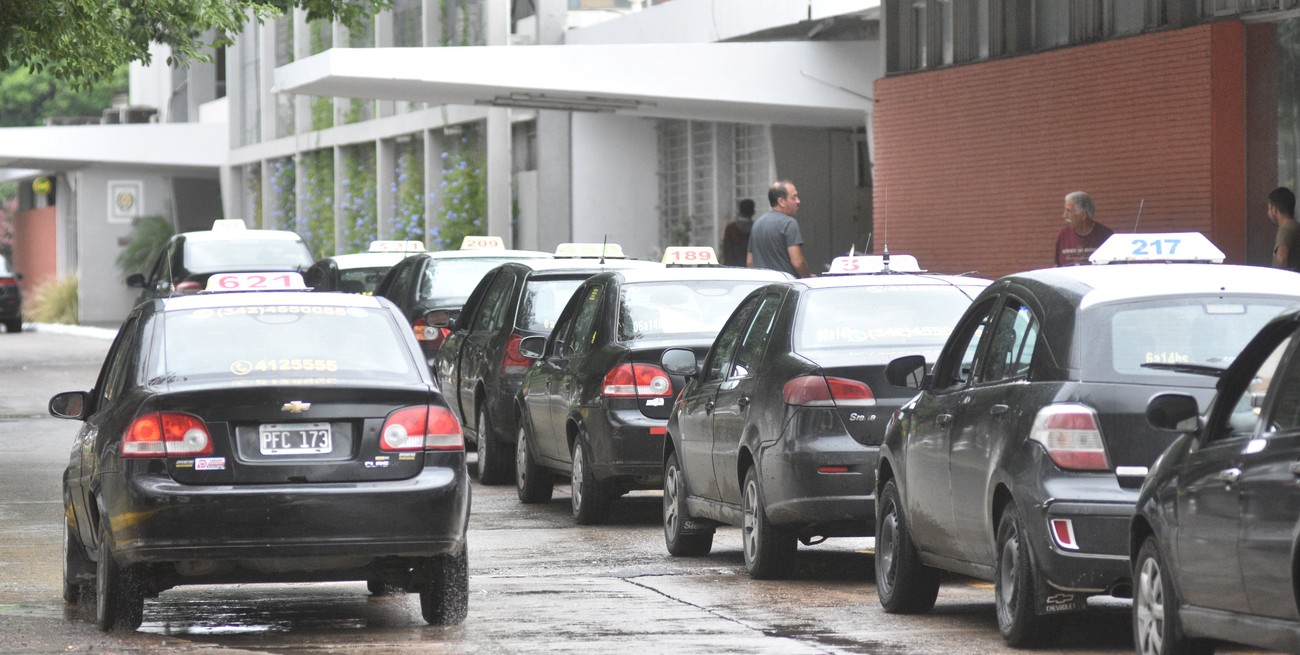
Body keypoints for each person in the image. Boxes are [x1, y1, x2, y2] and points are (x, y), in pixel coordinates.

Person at [748, 180, 812, 278]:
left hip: (761, 287)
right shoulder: (789, 223)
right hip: (785, 288)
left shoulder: (757, 224)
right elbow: (797, 262)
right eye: (794, 197)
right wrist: (808, 277)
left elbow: (749, 262)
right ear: (781, 202)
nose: (798, 201)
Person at [1055, 191, 1113, 266]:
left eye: (1068, 211)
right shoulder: (1063, 234)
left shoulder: (1106, 236)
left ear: (1083, 215)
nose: (1064, 216)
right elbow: (1058, 265)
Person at [1268, 186, 1299, 272]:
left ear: (1274, 209)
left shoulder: (1286, 229)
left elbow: (1281, 259)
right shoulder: (1295, 226)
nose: (1268, 213)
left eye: (1269, 208)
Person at [720, 199, 755, 266]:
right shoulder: (756, 228)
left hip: (734, 269)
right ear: (753, 212)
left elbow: (727, 253)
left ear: (740, 212)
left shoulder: (730, 229)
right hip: (753, 269)